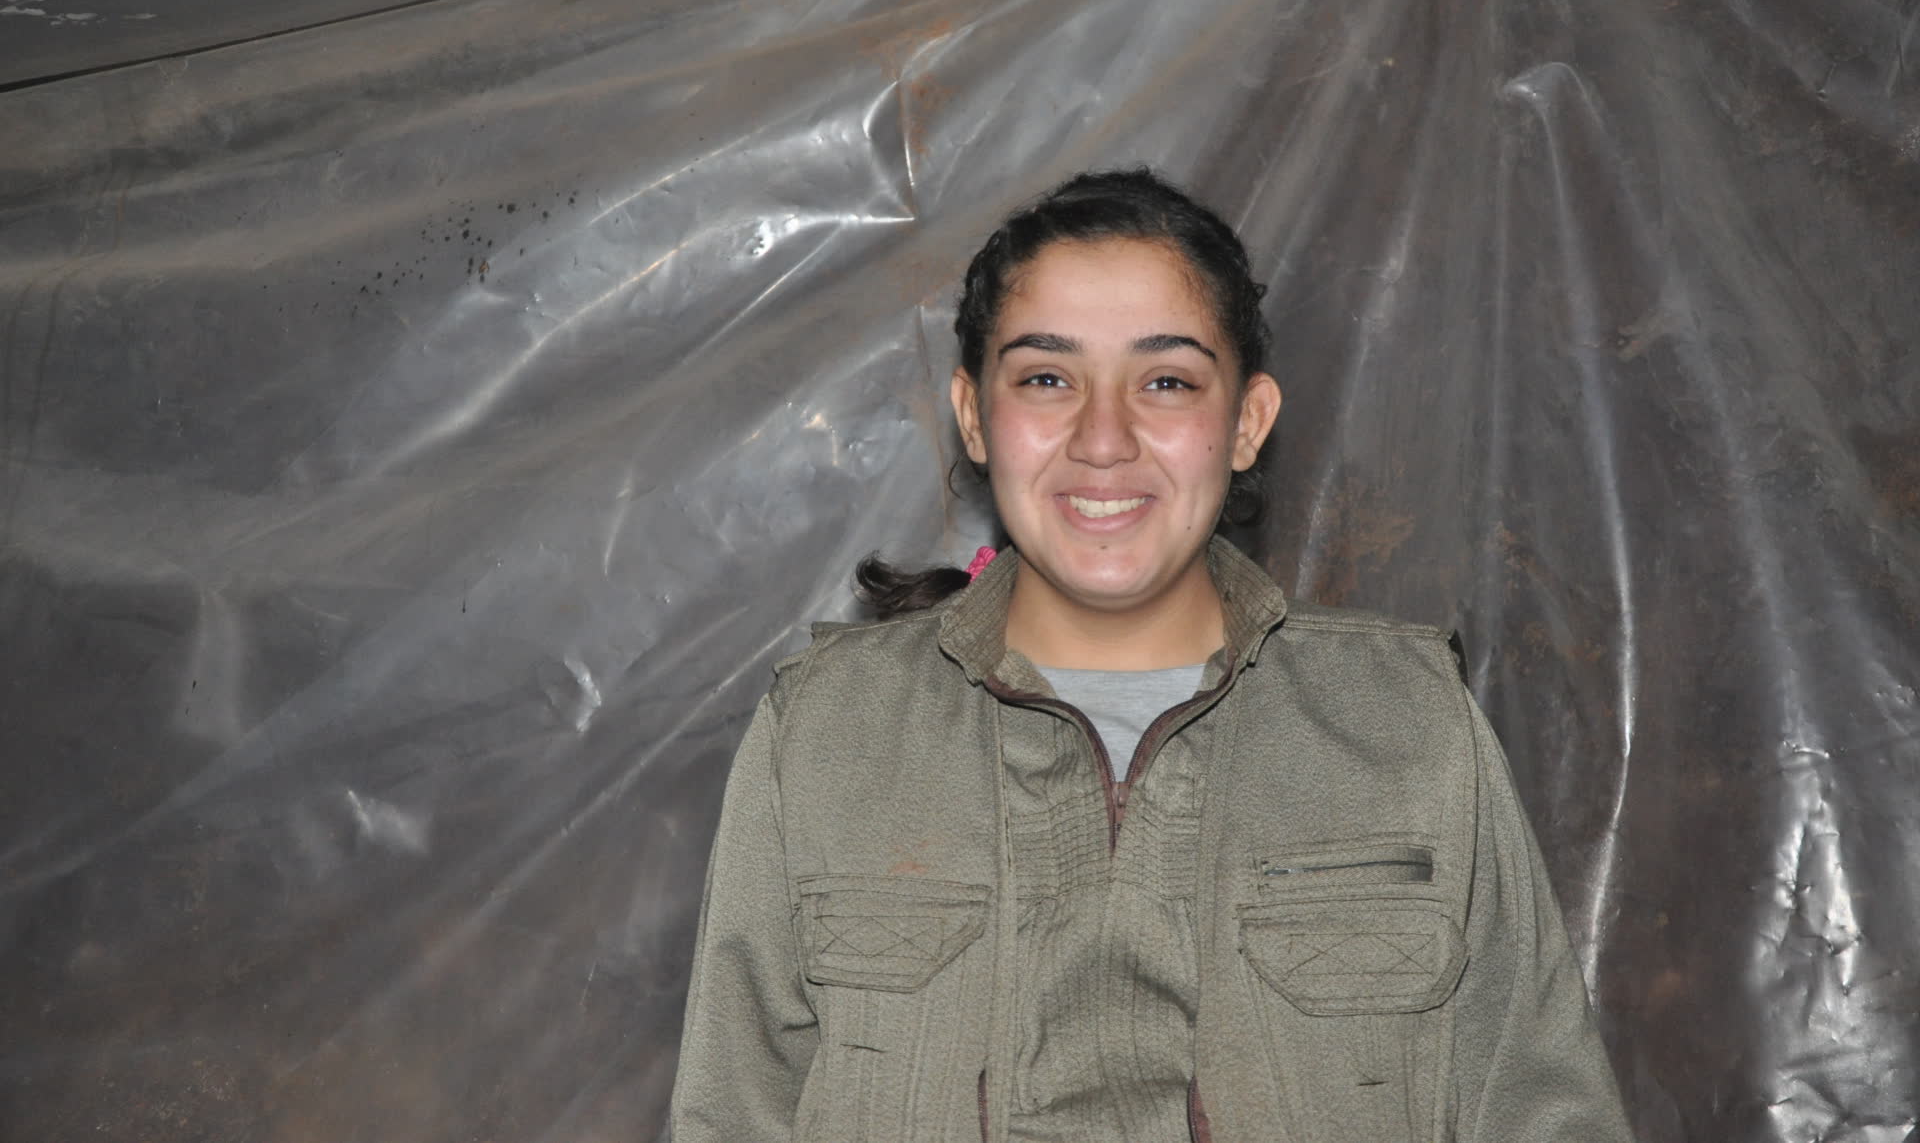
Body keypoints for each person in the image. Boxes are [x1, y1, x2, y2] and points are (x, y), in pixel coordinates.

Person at [670, 169, 1633, 1142]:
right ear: (973, 415)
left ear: (1247, 422)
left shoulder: (1410, 726)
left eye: (1166, 381)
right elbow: (728, 1113)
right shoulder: (823, 731)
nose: (1103, 438)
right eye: (1047, 378)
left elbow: (1548, 1114)